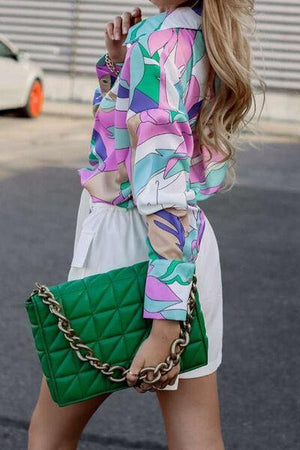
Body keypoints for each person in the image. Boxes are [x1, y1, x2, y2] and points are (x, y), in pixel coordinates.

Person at [28, 0, 259, 448]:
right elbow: (127, 140)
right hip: (185, 247)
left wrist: (166, 321)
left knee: (49, 436)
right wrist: (117, 65)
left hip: (135, 245)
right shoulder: (202, 35)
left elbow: (157, 178)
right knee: (197, 436)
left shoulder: (156, 43)